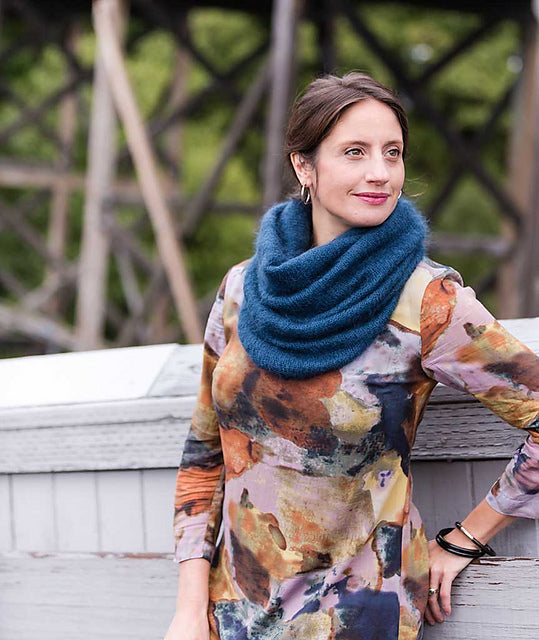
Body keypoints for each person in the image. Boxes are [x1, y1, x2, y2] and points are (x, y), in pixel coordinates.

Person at [164, 72, 539, 640]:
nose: (380, 172)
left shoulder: (427, 299)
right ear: (304, 166)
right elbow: (204, 452)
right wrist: (190, 609)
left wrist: (467, 538)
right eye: (355, 152)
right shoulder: (243, 289)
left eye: (393, 153)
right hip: (232, 618)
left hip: (355, 619)